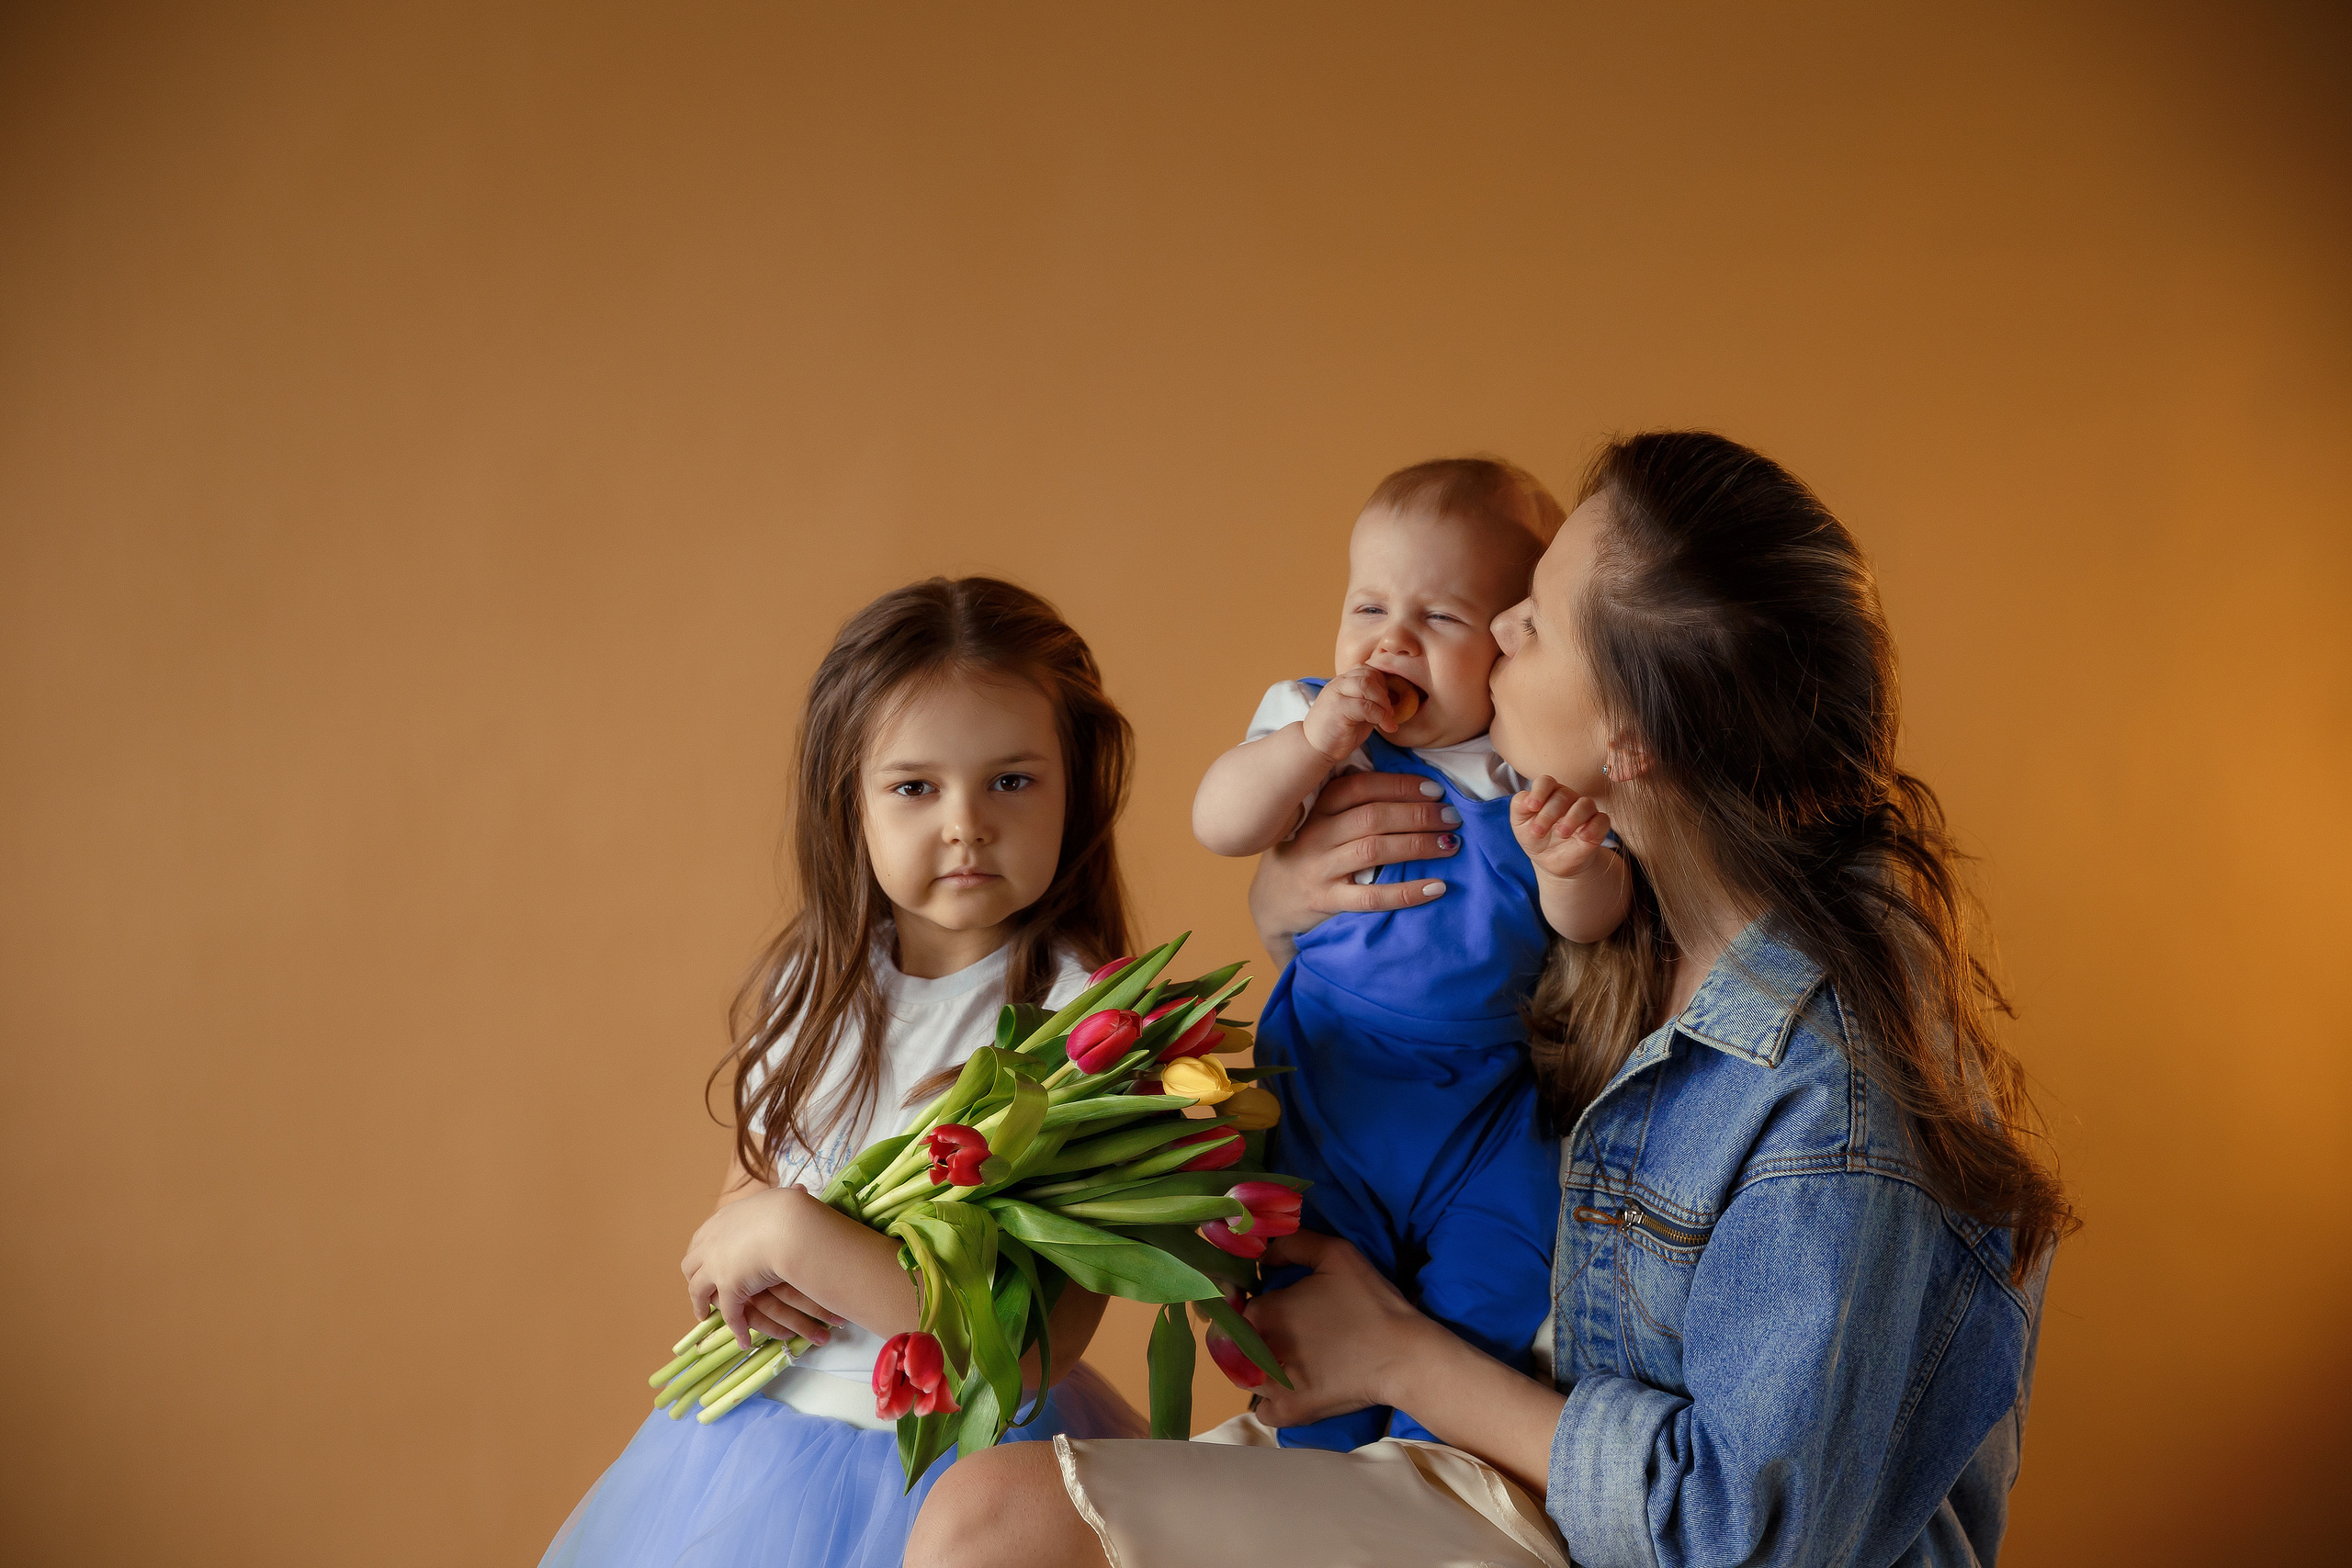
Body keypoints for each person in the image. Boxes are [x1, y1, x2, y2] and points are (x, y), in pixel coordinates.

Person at [910, 433, 2072, 1568]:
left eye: (1535, 615)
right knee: (1003, 1501)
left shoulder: (1829, 1094)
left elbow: (1737, 1533)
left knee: (996, 1524)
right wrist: (1287, 908)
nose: (1497, 624)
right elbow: (1431, 983)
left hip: (1563, 1493)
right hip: (1494, 1451)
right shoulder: (1644, 889)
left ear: (1632, 738)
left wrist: (1404, 1364)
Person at [543, 577, 1145, 1568]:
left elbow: (1026, 1350)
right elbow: (748, 1191)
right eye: (915, 787)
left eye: (1012, 780)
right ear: (848, 802)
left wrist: (789, 1234)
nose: (965, 824)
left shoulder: (1087, 1031)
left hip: (955, 1476)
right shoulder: (814, 979)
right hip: (755, 1439)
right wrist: (733, 1247)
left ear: (1076, 785)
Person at [1189, 457, 1631, 1449]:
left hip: (1489, 1091)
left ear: (1513, 639)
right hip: (1330, 1075)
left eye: (1438, 619)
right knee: (1302, 1282)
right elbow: (1219, 821)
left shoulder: (1530, 764)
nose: (1390, 639)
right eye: (1368, 606)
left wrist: (1570, 865)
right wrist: (1305, 744)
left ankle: (1443, 1468)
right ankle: (1315, 1470)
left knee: (1502, 1276)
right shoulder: (1315, 726)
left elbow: (1590, 922)